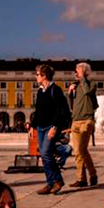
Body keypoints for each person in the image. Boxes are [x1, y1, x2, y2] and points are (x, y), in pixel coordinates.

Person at [32, 64, 70, 195]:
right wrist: (33, 126)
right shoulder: (40, 91)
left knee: (46, 154)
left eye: (37, 74)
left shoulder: (56, 90)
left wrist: (54, 127)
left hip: (50, 127)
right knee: (44, 155)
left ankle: (57, 180)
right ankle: (50, 183)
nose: (35, 77)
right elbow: (37, 111)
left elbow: (58, 111)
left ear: (44, 76)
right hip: (40, 127)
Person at [67, 62, 99, 189]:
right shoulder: (76, 86)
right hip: (75, 121)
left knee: (80, 150)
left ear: (84, 72)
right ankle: (90, 176)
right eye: (76, 70)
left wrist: (82, 78)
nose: (76, 72)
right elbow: (71, 106)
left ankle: (82, 178)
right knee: (79, 151)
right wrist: (70, 93)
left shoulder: (91, 85)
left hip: (87, 120)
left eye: (78, 70)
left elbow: (86, 91)